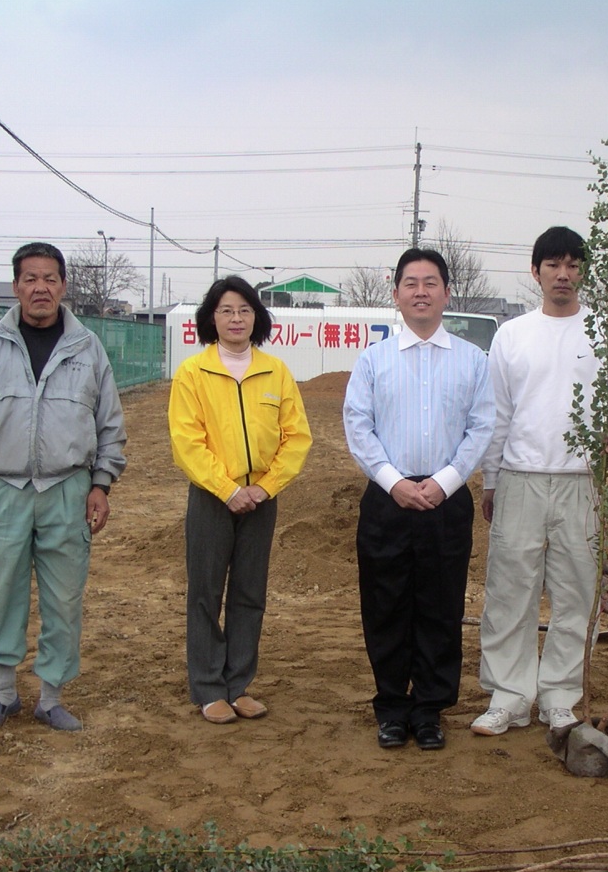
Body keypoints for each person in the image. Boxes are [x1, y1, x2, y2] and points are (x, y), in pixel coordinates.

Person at [0, 242, 127, 733]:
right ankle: (3, 695)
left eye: (50, 278)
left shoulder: (87, 347)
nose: (40, 288)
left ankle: (51, 698)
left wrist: (101, 484)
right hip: (4, 489)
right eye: (30, 279)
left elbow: (109, 422)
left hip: (68, 489)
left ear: (63, 287)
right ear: (16, 287)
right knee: (2, 594)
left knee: (63, 598)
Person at [343, 248, 494, 751]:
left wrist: (446, 481)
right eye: (412, 283)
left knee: (440, 605)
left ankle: (429, 709)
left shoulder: (472, 361)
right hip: (389, 499)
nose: (421, 291)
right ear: (397, 295)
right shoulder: (374, 360)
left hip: (445, 502)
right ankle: (391, 706)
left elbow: (481, 427)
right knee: (385, 604)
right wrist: (394, 482)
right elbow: (358, 427)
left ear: (447, 294)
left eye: (432, 282)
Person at [471, 226, 608, 737]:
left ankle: (559, 695)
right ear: (536, 272)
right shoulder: (512, 335)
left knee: (576, 591)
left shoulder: (606, 332)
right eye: (553, 265)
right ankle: (509, 695)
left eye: (573, 265)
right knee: (511, 590)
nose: (564, 274)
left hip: (581, 480)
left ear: (583, 271)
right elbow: (497, 414)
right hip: (521, 478)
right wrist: (492, 479)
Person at [168, 276, 311, 724]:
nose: (236, 318)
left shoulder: (276, 371)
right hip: (213, 498)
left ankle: (239, 684)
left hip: (260, 498)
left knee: (250, 594)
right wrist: (228, 489)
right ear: (212, 318)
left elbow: (296, 438)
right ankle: (209, 687)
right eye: (227, 310)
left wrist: (264, 488)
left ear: (257, 317)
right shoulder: (193, 373)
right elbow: (186, 442)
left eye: (245, 310)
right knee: (206, 593)